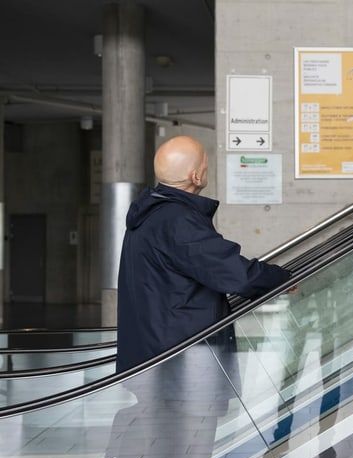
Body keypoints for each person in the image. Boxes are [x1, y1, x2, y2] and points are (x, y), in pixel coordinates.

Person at [116, 135, 293, 373]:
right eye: (205, 165)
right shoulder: (178, 222)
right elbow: (233, 273)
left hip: (154, 353)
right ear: (196, 176)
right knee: (191, 412)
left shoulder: (148, 216)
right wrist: (282, 279)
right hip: (184, 361)